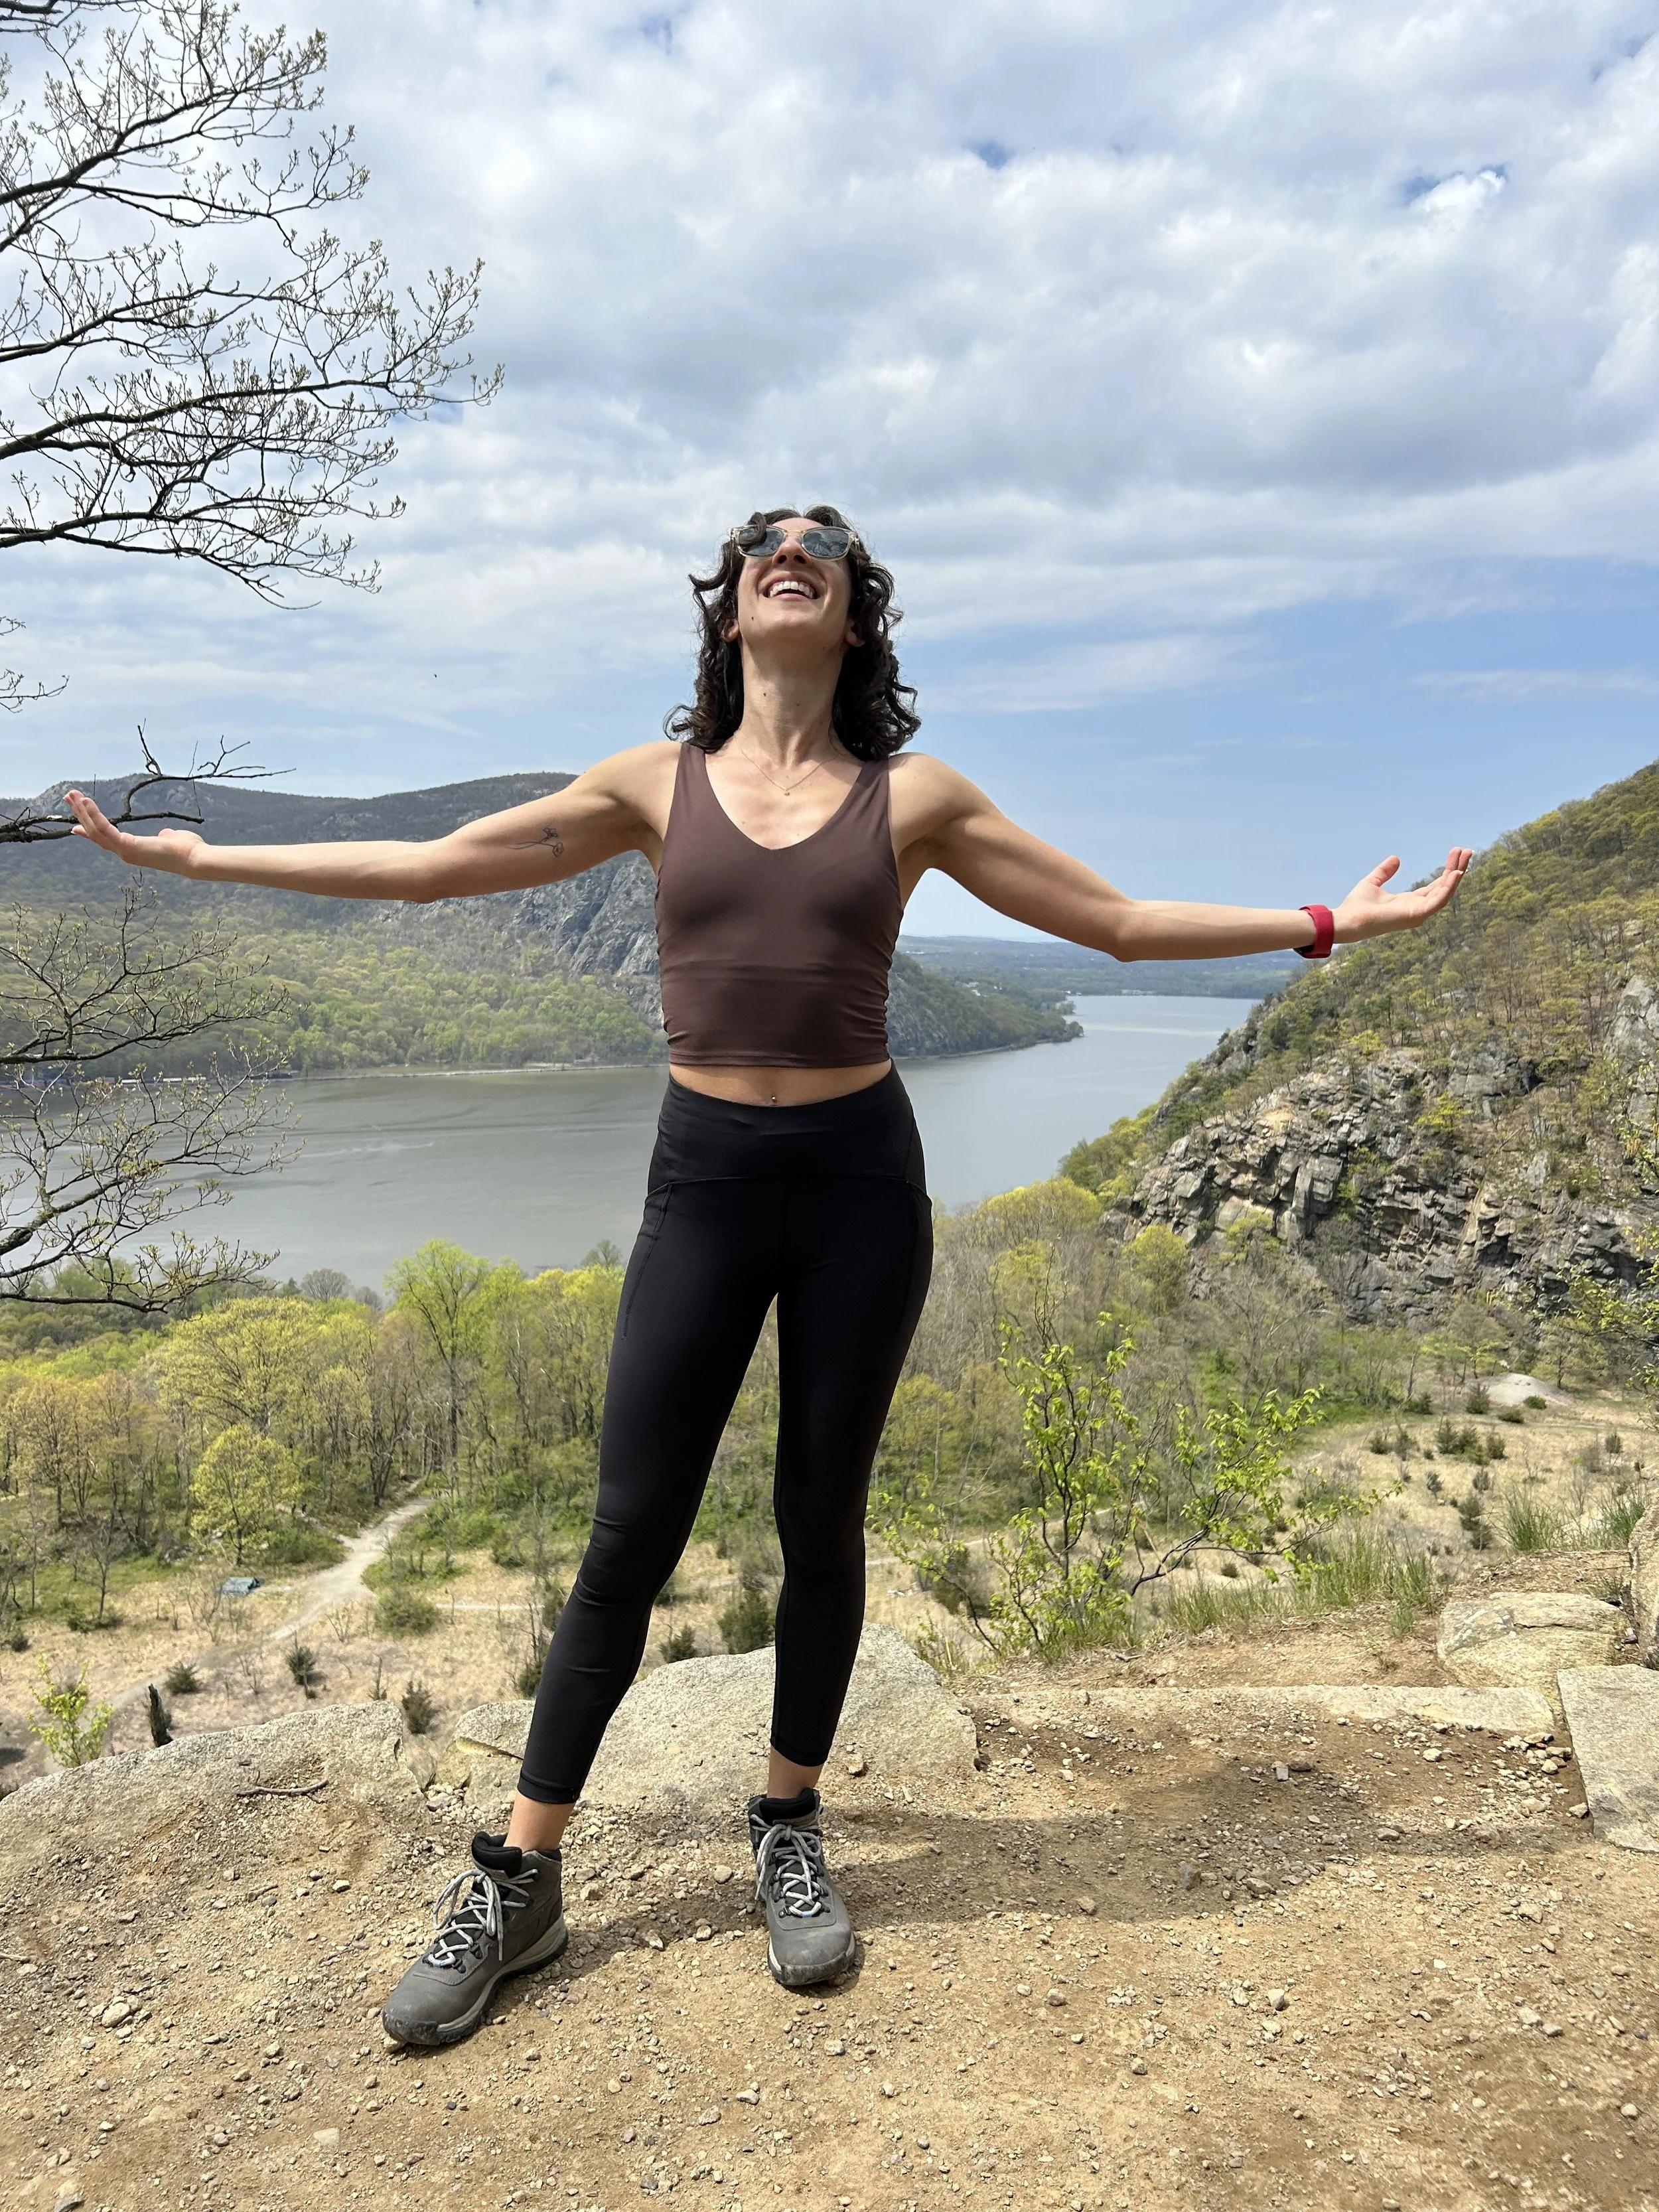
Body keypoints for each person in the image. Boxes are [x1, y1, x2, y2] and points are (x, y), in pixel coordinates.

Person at [64, 506, 1471, 2045]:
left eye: (824, 544)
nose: (790, 548)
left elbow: (1120, 926)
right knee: (629, 1528)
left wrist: (1331, 920)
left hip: (864, 1184)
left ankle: (787, 1819)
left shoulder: (911, 794)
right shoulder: (649, 786)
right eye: (763, 542)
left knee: (821, 1514)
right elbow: (425, 870)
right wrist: (203, 857)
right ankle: (520, 1877)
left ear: (857, 615)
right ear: (728, 610)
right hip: (706, 1183)